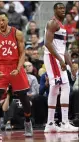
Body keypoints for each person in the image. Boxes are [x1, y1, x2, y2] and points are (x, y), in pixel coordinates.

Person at [0, 12, 33, 140]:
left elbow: (22, 53)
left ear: (7, 20)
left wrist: (19, 69)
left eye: (3, 20)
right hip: (1, 67)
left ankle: (28, 122)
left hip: (15, 66)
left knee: (23, 97)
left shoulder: (17, 33)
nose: (1, 23)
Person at [44, 3, 78, 132]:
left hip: (57, 58)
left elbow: (63, 49)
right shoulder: (53, 23)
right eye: (59, 8)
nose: (62, 10)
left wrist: (71, 65)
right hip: (53, 58)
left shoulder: (62, 26)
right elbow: (47, 43)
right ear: (54, 10)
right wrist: (60, 60)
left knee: (54, 88)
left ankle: (50, 124)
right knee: (65, 86)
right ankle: (64, 123)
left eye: (64, 8)